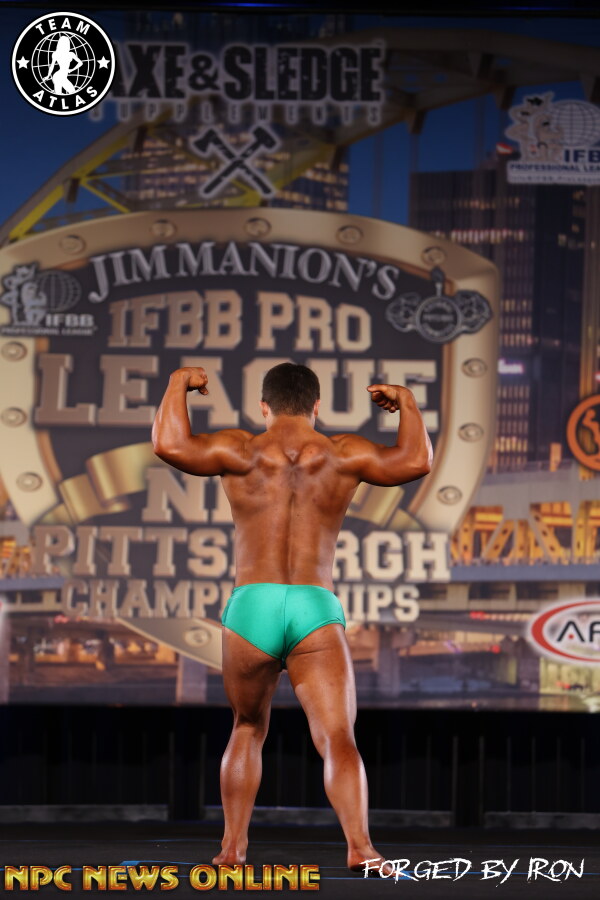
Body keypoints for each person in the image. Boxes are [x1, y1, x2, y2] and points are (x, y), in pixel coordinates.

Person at [152, 362, 432, 873]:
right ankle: (361, 848)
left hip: (252, 606)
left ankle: (232, 850)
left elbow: (169, 445)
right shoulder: (342, 453)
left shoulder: (240, 449)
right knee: (338, 737)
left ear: (265, 406)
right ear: (316, 406)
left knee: (246, 727)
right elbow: (416, 461)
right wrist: (406, 404)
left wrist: (178, 384)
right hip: (313, 606)